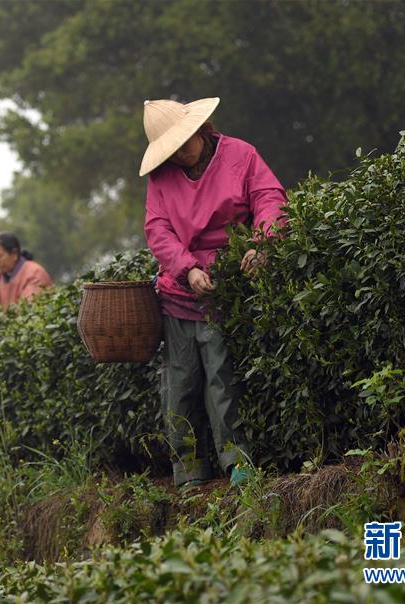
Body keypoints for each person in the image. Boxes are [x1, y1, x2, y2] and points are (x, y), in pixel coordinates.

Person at [140, 97, 288, 490]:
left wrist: (262, 243)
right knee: (180, 384)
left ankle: (237, 462)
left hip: (227, 284)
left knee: (222, 378)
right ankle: (187, 471)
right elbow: (157, 230)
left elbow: (270, 198)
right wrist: (187, 268)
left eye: (184, 142)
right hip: (179, 290)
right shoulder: (161, 178)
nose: (181, 153)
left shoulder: (240, 154)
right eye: (171, 149)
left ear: (201, 129)